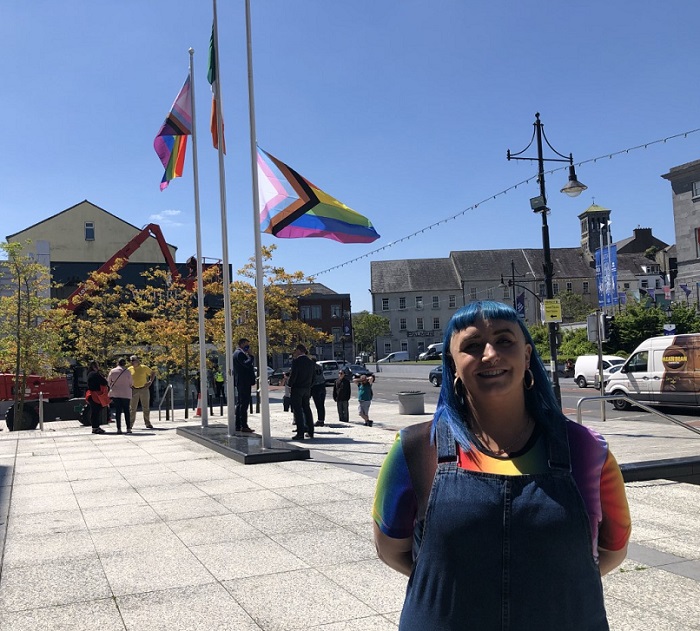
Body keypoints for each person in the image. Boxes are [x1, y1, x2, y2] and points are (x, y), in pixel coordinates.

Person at [372, 301, 631, 630]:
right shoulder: (416, 449)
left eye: (504, 340)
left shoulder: (587, 450)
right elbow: (391, 550)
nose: (490, 354)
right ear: (452, 364)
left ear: (526, 355)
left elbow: (612, 550)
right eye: (472, 345)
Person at [288, 343, 315, 440]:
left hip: (297, 388)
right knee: (307, 409)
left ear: (299, 350)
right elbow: (314, 377)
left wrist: (289, 384)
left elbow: (294, 375)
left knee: (298, 410)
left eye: (295, 351)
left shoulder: (296, 361)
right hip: (307, 388)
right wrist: (309, 385)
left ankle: (300, 432)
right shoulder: (310, 362)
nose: (294, 353)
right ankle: (311, 431)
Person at [232, 338, 256, 433]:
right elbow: (246, 365)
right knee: (244, 404)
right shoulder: (239, 354)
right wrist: (251, 356)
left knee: (240, 403)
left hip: (242, 382)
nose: (248, 347)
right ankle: (243, 425)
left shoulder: (238, 353)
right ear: (242, 344)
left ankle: (238, 425)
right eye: (246, 344)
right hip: (244, 382)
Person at [128, 355, 155, 430]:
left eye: (133, 360)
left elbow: (152, 373)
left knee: (146, 407)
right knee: (132, 408)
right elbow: (126, 378)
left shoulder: (143, 367)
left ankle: (147, 423)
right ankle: (130, 424)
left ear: (137, 360)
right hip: (134, 389)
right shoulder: (129, 369)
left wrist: (150, 381)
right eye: (131, 360)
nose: (132, 362)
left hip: (144, 389)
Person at [108, 358, 133, 434]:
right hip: (126, 393)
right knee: (126, 411)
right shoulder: (128, 372)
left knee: (118, 411)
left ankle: (119, 428)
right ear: (125, 364)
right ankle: (128, 428)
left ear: (117, 363)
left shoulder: (112, 371)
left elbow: (109, 382)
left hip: (116, 393)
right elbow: (131, 383)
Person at [85, 361, 109, 435]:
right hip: (96, 395)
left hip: (90, 394)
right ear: (95, 366)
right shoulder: (95, 374)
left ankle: (95, 427)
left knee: (94, 412)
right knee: (96, 412)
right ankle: (95, 427)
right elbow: (104, 382)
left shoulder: (89, 374)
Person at [311, 357, 327, 427]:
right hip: (322, 385)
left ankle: (320, 420)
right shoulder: (320, 367)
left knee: (318, 404)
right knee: (322, 404)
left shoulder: (311, 368)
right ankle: (322, 419)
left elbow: (312, 378)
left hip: (316, 386)